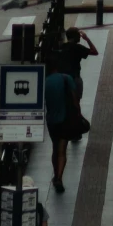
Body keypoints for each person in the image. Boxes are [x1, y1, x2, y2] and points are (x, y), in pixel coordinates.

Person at [45, 62, 79, 192]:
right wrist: (78, 113)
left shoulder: (45, 82)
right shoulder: (66, 78)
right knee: (62, 150)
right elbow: (74, 99)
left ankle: (55, 175)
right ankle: (59, 177)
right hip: (65, 119)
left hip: (51, 121)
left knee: (55, 148)